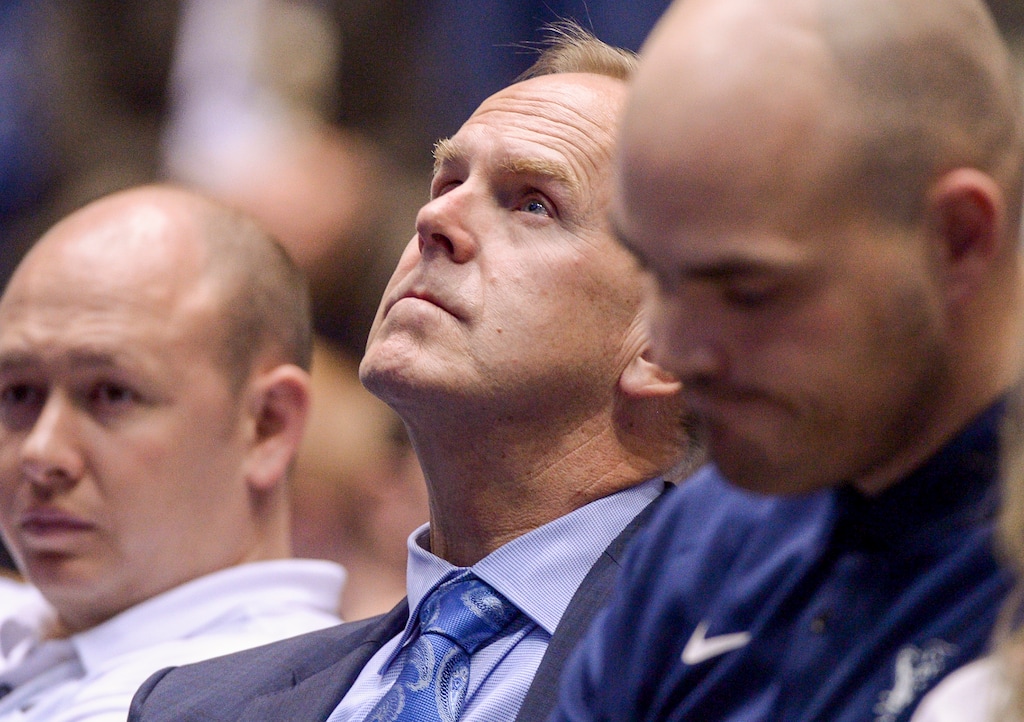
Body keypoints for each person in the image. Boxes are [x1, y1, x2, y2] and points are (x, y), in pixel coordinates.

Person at [127, 25, 698, 722]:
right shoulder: (193, 705)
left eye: (533, 203)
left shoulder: (747, 654)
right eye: (449, 181)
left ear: (665, 342)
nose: (434, 218)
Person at [549, 0, 1024, 720]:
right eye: (655, 273)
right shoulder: (698, 543)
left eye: (747, 291)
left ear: (957, 238)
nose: (673, 351)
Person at [0, 184, 346, 720]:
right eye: (19, 393)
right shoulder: (50, 623)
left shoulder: (248, 698)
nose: (42, 453)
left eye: (111, 394)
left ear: (267, 424)